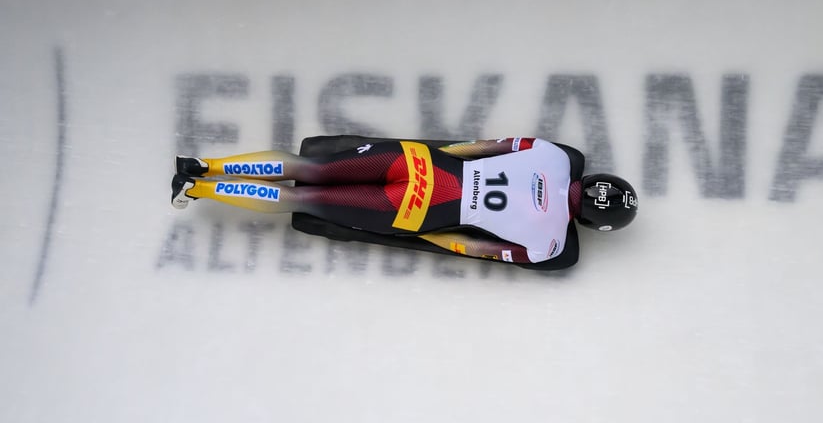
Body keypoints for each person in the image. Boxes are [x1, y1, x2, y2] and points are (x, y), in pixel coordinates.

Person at [171, 135, 637, 269]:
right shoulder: (550, 244)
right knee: (306, 199)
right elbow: (473, 248)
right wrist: (430, 234)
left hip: (418, 163)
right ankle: (198, 189)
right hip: (415, 210)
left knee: (308, 169)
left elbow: (475, 147)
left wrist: (434, 159)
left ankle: (204, 164)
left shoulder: (554, 155)